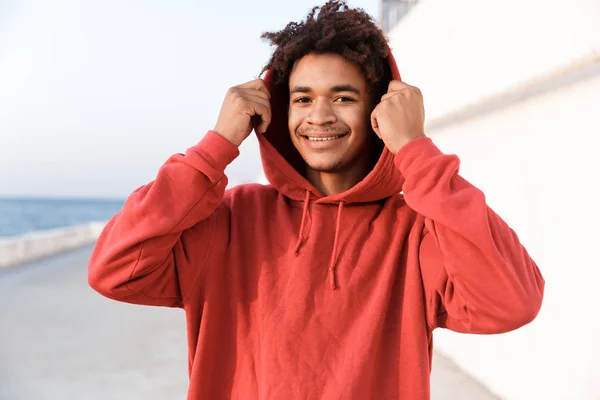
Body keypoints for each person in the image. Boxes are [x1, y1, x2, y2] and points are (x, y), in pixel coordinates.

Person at [88, 1, 545, 398]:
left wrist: (416, 151)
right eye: (302, 99)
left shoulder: (417, 232)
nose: (319, 116)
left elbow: (512, 302)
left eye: (343, 97)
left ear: (379, 110)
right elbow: (114, 270)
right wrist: (215, 147)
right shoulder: (231, 219)